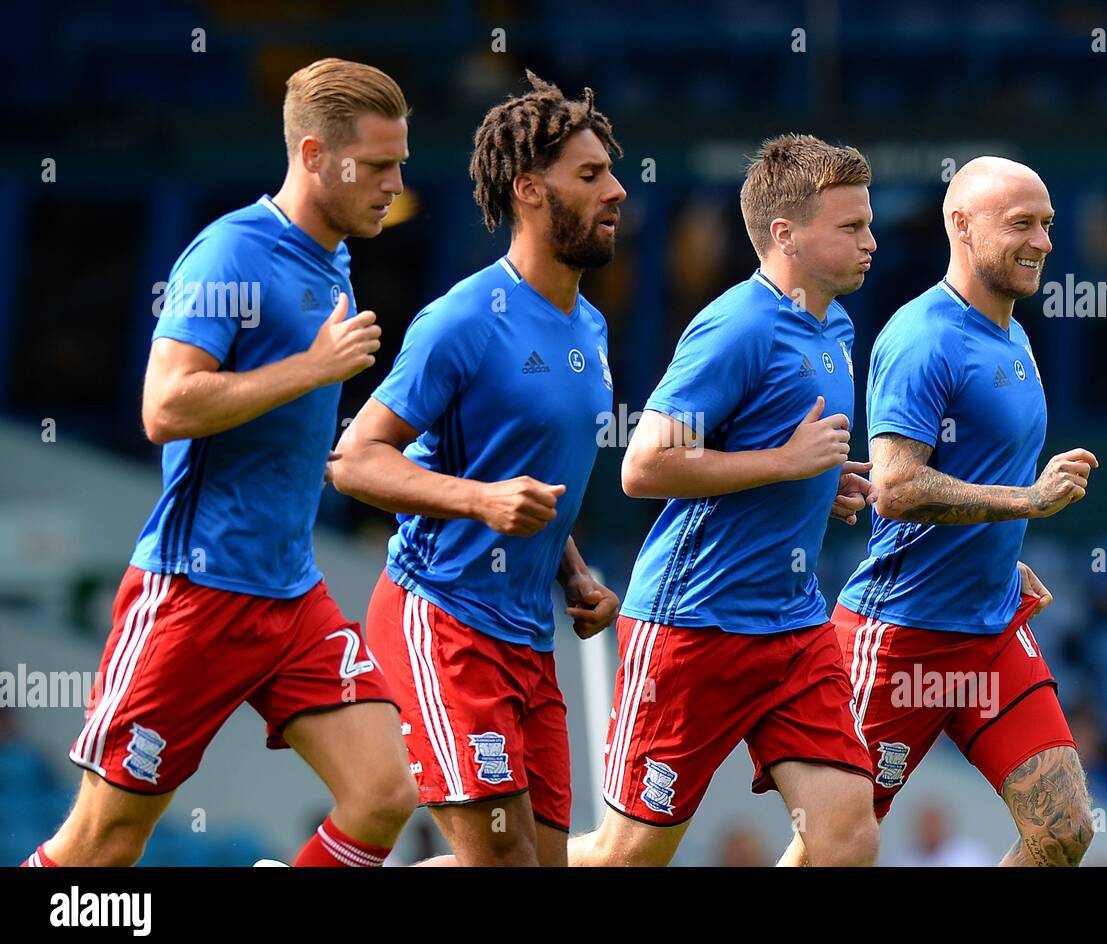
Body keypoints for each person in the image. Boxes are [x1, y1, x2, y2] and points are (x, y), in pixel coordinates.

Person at [23, 58, 417, 868]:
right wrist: (311, 369)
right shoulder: (229, 255)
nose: (394, 182)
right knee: (103, 843)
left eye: (399, 162)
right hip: (196, 596)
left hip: (289, 593)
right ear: (314, 156)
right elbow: (164, 407)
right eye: (377, 165)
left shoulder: (333, 256)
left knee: (384, 794)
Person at [330, 72, 623, 867]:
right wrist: (481, 501)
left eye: (611, 173)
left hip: (529, 639)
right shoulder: (464, 317)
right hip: (444, 621)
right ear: (530, 190)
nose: (617, 191)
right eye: (590, 176)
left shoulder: (589, 326)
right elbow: (355, 460)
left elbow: (524, 476)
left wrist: (573, 573)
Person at [569, 134, 880, 867]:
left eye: (868, 224)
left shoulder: (834, 324)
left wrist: (815, 480)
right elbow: (643, 467)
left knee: (845, 840)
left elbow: (771, 446)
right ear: (785, 235)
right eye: (851, 227)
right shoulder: (736, 324)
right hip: (695, 625)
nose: (872, 241)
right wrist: (785, 463)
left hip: (795, 626)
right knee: (627, 856)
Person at [784, 156, 1098, 867]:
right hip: (900, 640)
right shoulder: (923, 335)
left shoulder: (1012, 332)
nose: (1044, 242)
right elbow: (895, 487)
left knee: (1065, 830)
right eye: (1022, 224)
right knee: (831, 849)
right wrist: (1028, 501)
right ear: (961, 225)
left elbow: (973, 473)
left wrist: (998, 551)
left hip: (990, 633)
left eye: (1047, 225)